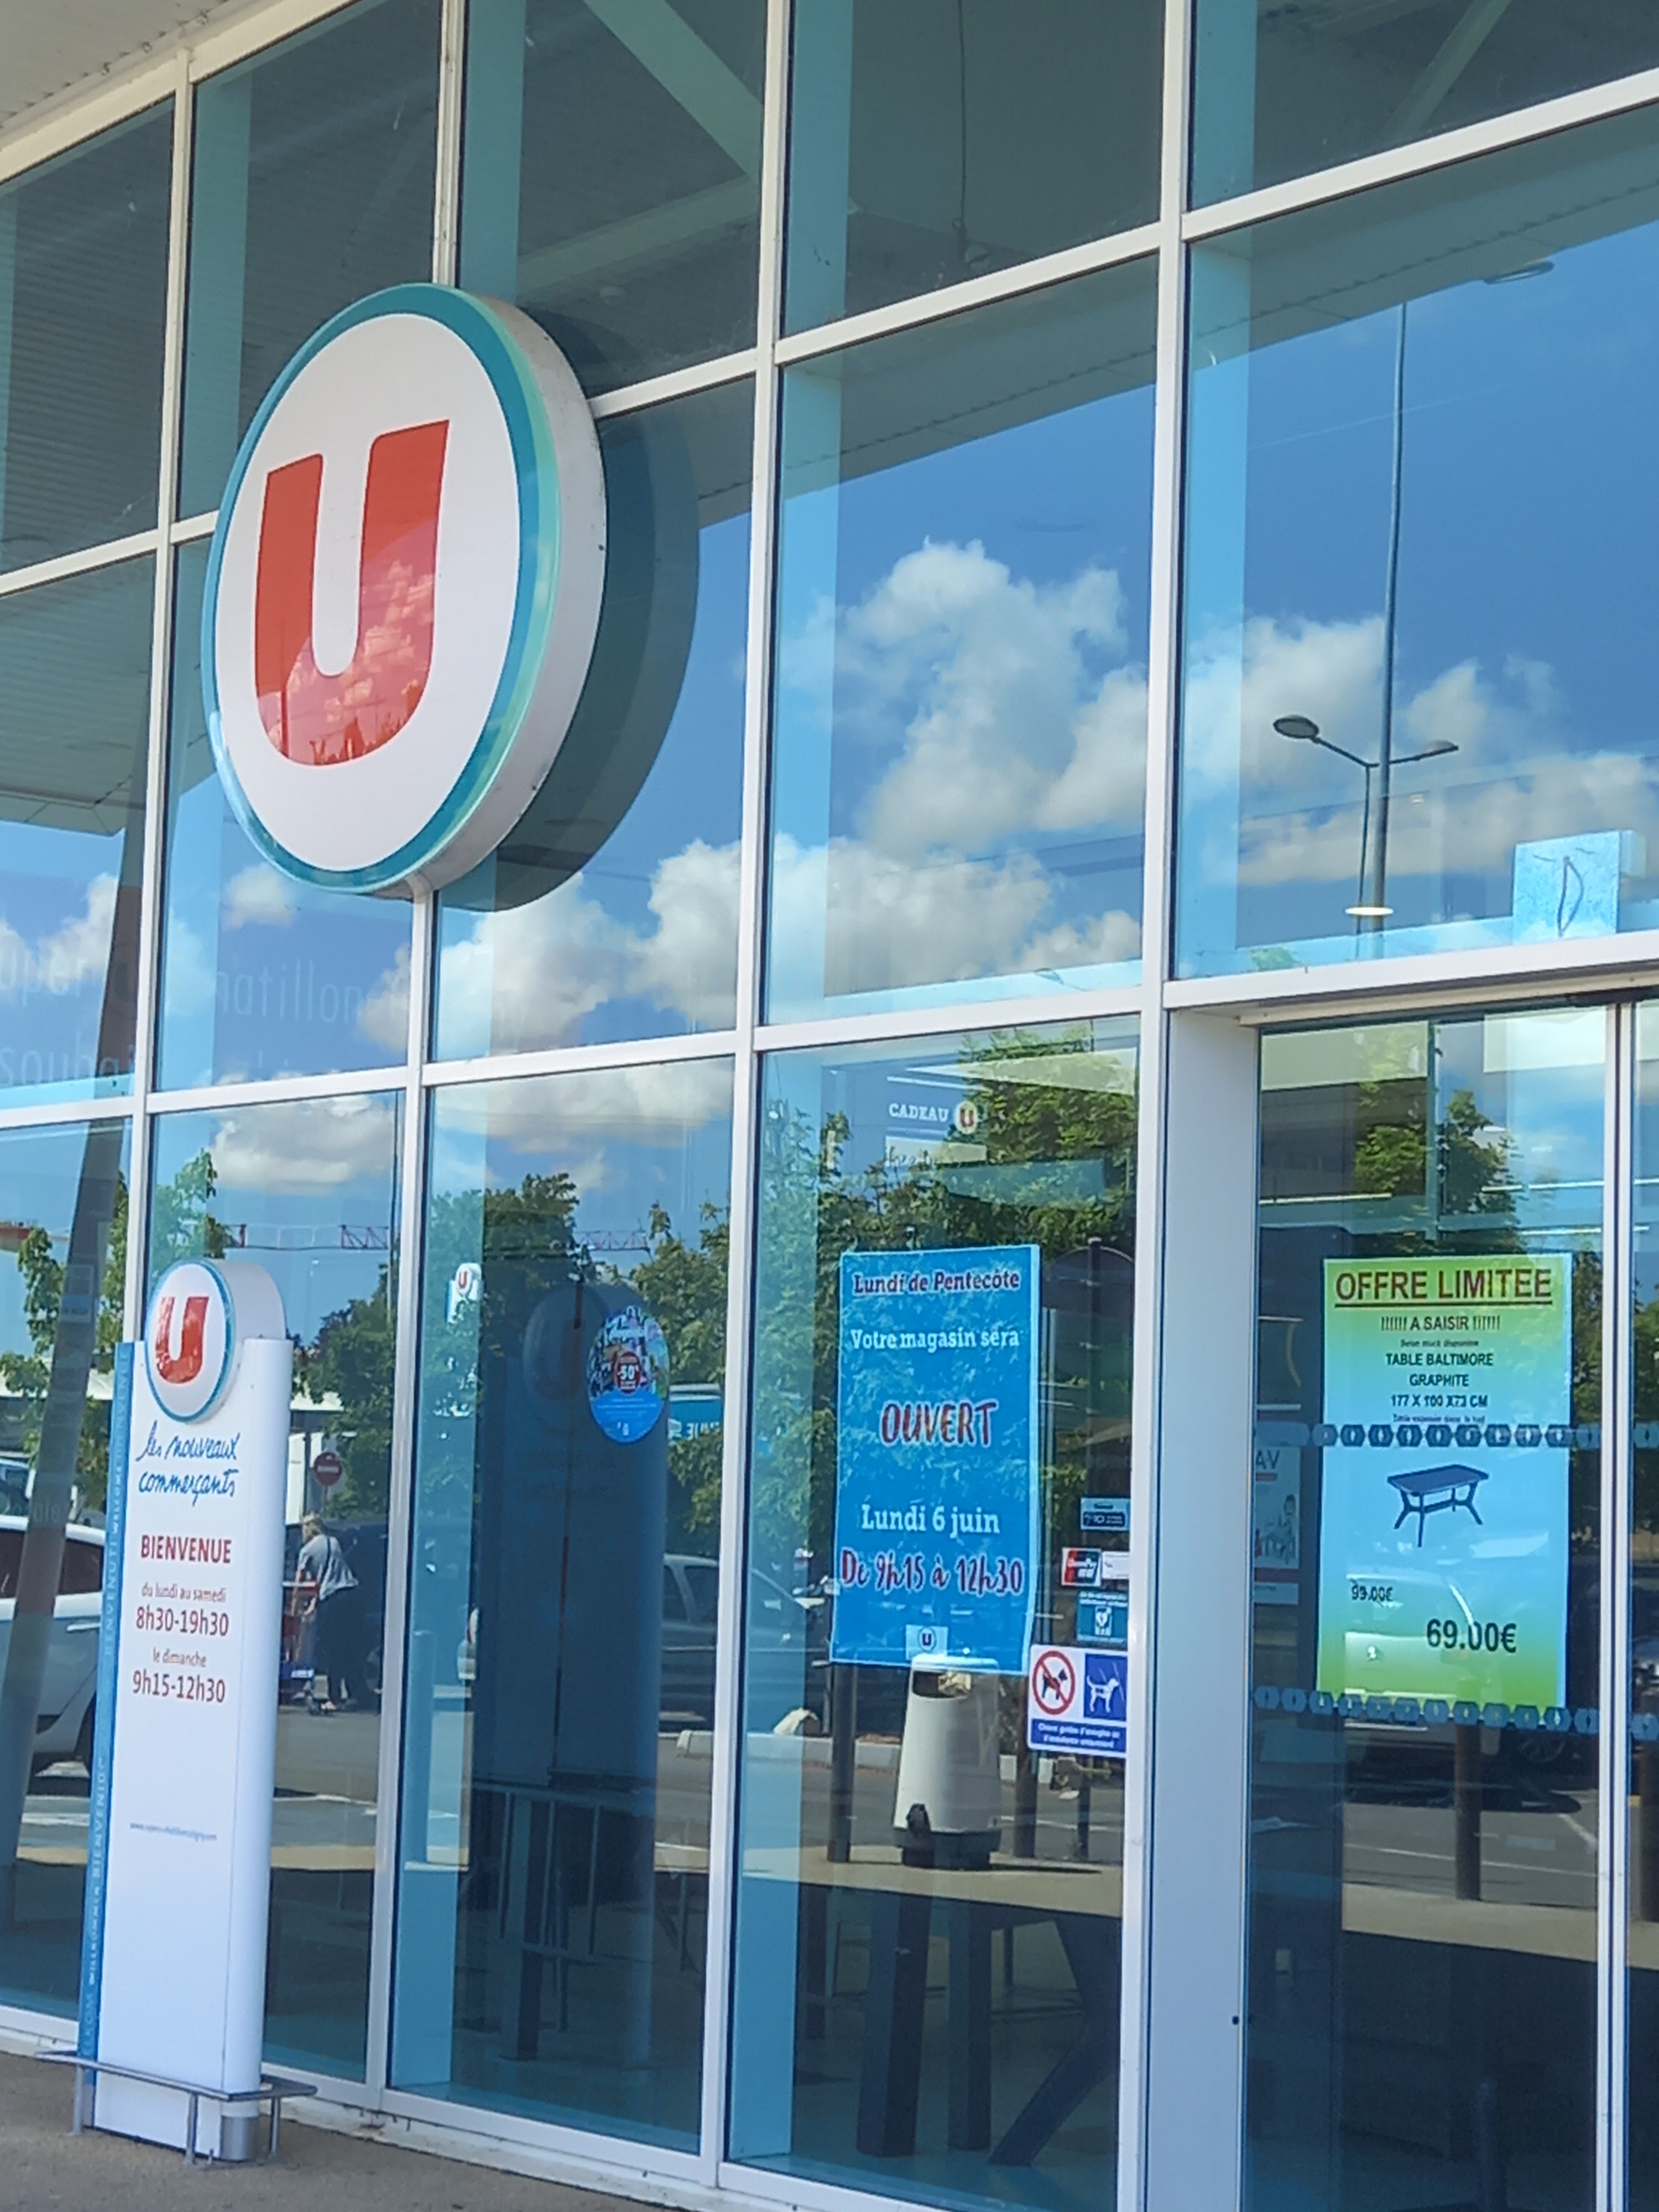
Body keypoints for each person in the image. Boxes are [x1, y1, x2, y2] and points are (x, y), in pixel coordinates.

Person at [295, 1512, 362, 1713]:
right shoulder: (334, 1543)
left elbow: (301, 1581)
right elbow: (331, 1575)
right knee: (349, 1647)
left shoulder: (307, 1550)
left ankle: (334, 1697)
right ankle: (354, 1694)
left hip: (331, 1600)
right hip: (350, 1594)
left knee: (332, 1649)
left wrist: (297, 1606)